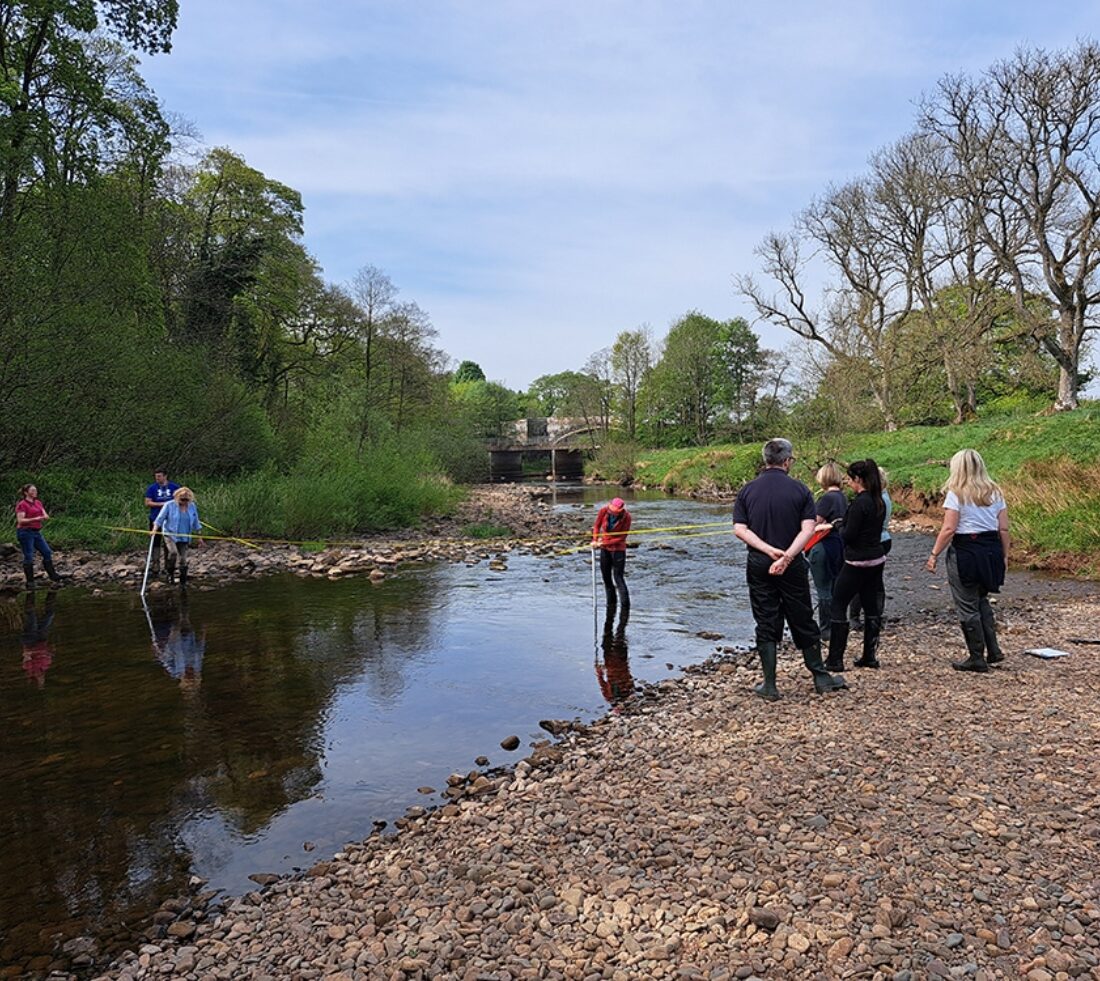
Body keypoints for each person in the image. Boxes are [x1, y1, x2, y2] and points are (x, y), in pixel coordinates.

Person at [733, 439, 846, 700]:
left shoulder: (747, 491)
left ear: (766, 460)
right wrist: (787, 557)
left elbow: (740, 530)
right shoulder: (800, 490)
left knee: (765, 617)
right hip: (792, 562)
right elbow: (808, 529)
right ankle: (820, 677)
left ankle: (770, 684)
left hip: (760, 562)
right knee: (802, 614)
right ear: (786, 461)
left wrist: (768, 551)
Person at [925, 449, 1009, 673]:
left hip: (966, 550)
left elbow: (949, 528)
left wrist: (934, 554)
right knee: (982, 598)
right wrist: (1005, 555)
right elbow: (1003, 528)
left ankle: (976, 657)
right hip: (991, 548)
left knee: (967, 603)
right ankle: (993, 650)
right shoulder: (996, 492)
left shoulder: (956, 493)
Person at [827, 460, 888, 671]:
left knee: (838, 603)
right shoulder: (879, 501)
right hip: (876, 559)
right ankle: (869, 656)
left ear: (858, 479)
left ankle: (835, 659)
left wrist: (838, 526)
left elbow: (849, 535)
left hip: (856, 561)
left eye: (850, 479)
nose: (849, 483)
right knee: (871, 606)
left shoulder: (859, 503)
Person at [807, 462, 847, 638]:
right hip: (838, 545)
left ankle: (826, 629)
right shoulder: (842, 497)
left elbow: (812, 524)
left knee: (823, 589)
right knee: (834, 587)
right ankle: (838, 623)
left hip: (823, 547)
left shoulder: (826, 499)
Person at [849, 466, 892, 629]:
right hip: (883, 539)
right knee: (875, 580)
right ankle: (874, 616)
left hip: (875, 541)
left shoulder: (875, 500)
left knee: (861, 580)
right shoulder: (884, 497)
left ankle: (856, 616)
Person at [153, 486, 202, 587]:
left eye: (186, 499)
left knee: (183, 559)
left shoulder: (192, 506)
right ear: (177, 497)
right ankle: (170, 574)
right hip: (170, 534)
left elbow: (196, 522)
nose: (184, 501)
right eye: (182, 499)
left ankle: (183, 581)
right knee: (173, 553)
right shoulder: (169, 505)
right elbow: (159, 519)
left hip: (184, 536)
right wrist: (154, 530)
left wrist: (199, 537)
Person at [15, 484, 62, 588]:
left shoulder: (38, 502)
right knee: (29, 555)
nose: (35, 492)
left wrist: (44, 516)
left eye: (35, 490)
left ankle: (53, 576)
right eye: (32, 490)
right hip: (25, 532)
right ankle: (30, 582)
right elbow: (21, 520)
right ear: (26, 493)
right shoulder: (22, 504)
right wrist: (36, 519)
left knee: (46, 552)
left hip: (36, 532)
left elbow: (44, 514)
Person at [592, 497, 632, 615]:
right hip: (604, 549)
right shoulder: (603, 511)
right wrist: (595, 539)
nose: (613, 513)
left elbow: (622, 537)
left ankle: (625, 609)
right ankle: (611, 604)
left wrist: (603, 542)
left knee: (618, 578)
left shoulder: (627, 517)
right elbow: (596, 526)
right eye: (612, 510)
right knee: (606, 579)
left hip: (618, 550)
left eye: (615, 512)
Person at [144, 468, 180, 577]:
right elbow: (147, 502)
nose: (157, 478)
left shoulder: (174, 487)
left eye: (159, 476)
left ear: (165, 476)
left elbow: (180, 499)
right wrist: (163, 505)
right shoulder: (152, 488)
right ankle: (155, 565)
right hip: (155, 518)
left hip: (170, 519)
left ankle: (168, 565)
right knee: (155, 541)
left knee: (168, 541)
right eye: (156, 476)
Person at [21, 590, 56, 688]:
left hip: (31, 641)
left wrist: (36, 652)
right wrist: (50, 651)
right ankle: (51, 593)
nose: (41, 676)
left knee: (32, 618)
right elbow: (48, 653)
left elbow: (27, 653)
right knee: (50, 615)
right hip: (42, 640)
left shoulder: (28, 668)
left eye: (40, 678)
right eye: (42, 678)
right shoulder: (45, 666)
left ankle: (30, 594)